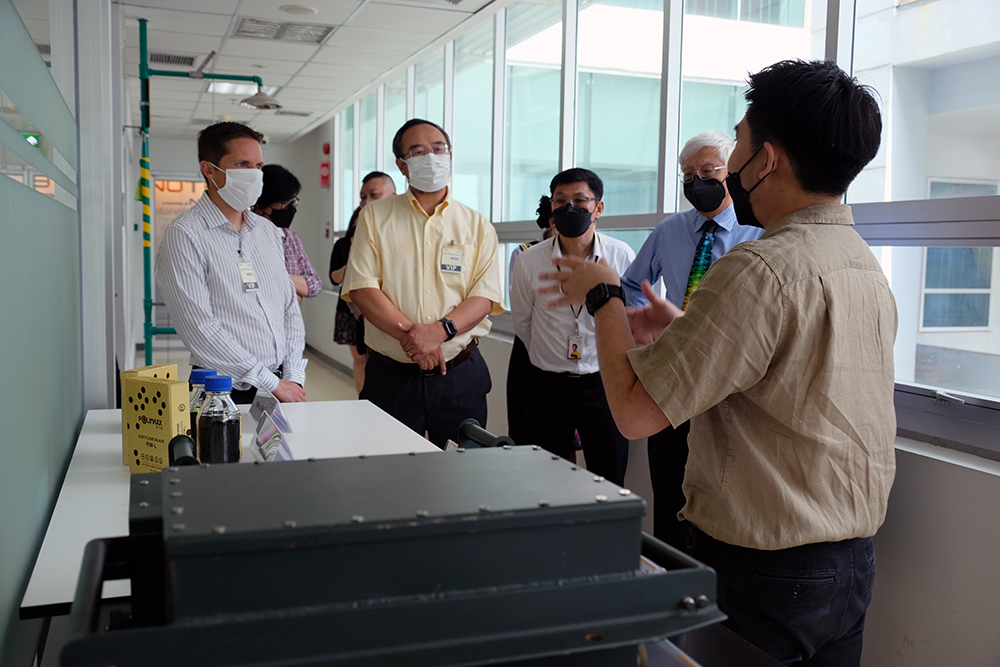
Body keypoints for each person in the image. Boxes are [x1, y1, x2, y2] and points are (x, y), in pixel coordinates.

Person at [539, 60, 895, 666]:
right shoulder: (862, 262)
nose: (730, 168)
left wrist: (603, 298)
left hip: (764, 570)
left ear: (768, 159)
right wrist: (684, 329)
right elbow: (787, 375)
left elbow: (634, 413)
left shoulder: (758, 268)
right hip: (849, 565)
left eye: (739, 144)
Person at [620, 131, 763, 549]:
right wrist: (644, 337)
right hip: (671, 378)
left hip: (726, 388)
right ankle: (668, 573)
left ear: (730, 173)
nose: (696, 182)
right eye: (687, 176)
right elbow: (631, 284)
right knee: (668, 495)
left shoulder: (758, 233)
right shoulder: (671, 230)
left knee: (717, 504)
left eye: (707, 171)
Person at [342, 119, 504, 448]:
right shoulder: (375, 216)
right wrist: (416, 340)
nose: (431, 156)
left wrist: (440, 331)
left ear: (450, 156)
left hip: (459, 375)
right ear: (402, 165)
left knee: (462, 469)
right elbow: (362, 288)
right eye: (418, 151)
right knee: (389, 466)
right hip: (391, 377)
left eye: (438, 148)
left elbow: (484, 296)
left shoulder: (476, 224)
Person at [156, 122, 307, 405]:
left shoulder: (267, 231)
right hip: (222, 390)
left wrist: (293, 375)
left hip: (281, 385)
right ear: (208, 169)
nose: (254, 174)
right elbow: (199, 328)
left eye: (258, 166)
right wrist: (272, 382)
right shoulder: (185, 234)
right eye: (242, 164)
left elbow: (289, 308)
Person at [510, 168, 635, 486]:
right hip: (547, 385)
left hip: (603, 383)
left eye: (580, 200)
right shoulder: (529, 260)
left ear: (598, 208)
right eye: (560, 200)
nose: (569, 208)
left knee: (608, 477)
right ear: (551, 206)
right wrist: (549, 356)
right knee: (542, 480)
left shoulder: (620, 256)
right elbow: (523, 323)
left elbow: (630, 320)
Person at [330, 172, 398, 395]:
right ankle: (364, 399)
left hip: (393, 314)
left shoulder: (401, 236)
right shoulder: (346, 245)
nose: (367, 201)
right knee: (363, 357)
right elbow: (335, 277)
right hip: (358, 311)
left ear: (393, 196)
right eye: (362, 197)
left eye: (374, 195)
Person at [506, 195, 555, 446]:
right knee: (526, 425)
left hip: (569, 352)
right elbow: (521, 312)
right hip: (530, 347)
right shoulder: (524, 253)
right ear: (550, 220)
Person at [253, 164, 322, 304]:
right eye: (285, 202)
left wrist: (280, 278)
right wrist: (295, 289)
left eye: (294, 202)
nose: (290, 208)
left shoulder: (289, 237)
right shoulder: (244, 234)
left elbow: (315, 284)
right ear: (261, 202)